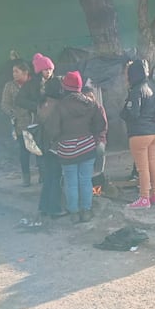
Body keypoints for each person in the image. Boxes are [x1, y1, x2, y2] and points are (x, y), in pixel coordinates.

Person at [44, 71, 107, 223]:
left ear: (64, 87)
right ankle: (86, 211)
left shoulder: (60, 107)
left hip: (67, 150)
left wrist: (57, 140)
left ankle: (74, 213)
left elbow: (52, 130)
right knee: (85, 180)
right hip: (87, 146)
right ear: (80, 87)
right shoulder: (91, 104)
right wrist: (94, 137)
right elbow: (101, 123)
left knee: (70, 181)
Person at [121, 59, 155, 209]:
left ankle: (144, 198)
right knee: (153, 164)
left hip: (139, 133)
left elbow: (133, 113)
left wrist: (124, 112)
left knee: (142, 168)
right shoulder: (153, 86)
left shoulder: (136, 90)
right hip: (154, 131)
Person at [16, 52, 56, 184]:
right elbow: (19, 100)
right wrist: (36, 107)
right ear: (39, 71)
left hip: (52, 121)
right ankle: (29, 177)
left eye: (50, 69)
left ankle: (44, 176)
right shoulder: (31, 85)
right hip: (34, 121)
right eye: (45, 69)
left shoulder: (56, 82)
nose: (48, 72)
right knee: (35, 149)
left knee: (46, 150)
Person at [36, 77, 66, 219]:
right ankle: (55, 208)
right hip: (55, 146)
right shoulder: (58, 105)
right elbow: (55, 129)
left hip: (44, 145)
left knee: (48, 177)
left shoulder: (43, 103)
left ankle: (44, 206)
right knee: (56, 177)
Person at [1, 59, 33, 186]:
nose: (14, 74)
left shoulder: (33, 84)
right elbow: (4, 104)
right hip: (20, 124)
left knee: (41, 151)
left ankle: (43, 176)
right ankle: (26, 177)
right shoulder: (10, 86)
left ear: (25, 73)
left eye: (17, 71)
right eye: (13, 71)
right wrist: (13, 113)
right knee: (24, 152)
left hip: (36, 122)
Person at [82, 84, 107, 175]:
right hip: (85, 139)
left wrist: (96, 139)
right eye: (87, 97)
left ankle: (99, 173)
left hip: (98, 138)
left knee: (100, 148)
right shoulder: (80, 110)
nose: (90, 99)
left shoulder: (99, 108)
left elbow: (103, 127)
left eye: (91, 96)